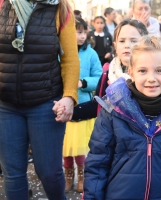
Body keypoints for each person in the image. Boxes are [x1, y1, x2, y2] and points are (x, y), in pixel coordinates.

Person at [83, 36, 161, 199]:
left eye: (159, 70)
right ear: (131, 72)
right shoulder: (113, 111)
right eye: (143, 71)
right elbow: (97, 165)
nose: (151, 78)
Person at [0, 0, 80, 199]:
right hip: (5, 104)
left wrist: (69, 96)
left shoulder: (61, 8)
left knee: (49, 172)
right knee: (13, 174)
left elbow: (70, 59)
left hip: (46, 103)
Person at [70, 19, 149, 121]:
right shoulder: (108, 73)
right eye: (122, 41)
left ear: (146, 44)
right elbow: (98, 105)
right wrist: (69, 111)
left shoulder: (152, 76)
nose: (127, 45)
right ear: (115, 46)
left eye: (133, 41)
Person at [62, 17, 102, 193]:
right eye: (79, 32)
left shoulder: (91, 54)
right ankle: (68, 177)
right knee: (65, 148)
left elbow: (100, 78)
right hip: (64, 105)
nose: (82, 36)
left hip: (82, 106)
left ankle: (81, 177)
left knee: (79, 148)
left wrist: (83, 82)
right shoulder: (61, 51)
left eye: (85, 32)